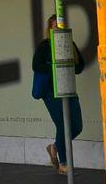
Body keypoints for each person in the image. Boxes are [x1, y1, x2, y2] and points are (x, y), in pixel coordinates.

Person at [33, 16, 87, 174]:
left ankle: (54, 147)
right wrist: (56, 67)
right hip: (51, 92)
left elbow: (79, 67)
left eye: (60, 27)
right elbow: (35, 65)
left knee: (76, 127)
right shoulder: (45, 45)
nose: (57, 30)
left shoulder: (70, 44)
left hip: (69, 89)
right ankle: (63, 164)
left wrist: (69, 64)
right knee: (63, 126)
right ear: (49, 29)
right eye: (54, 27)